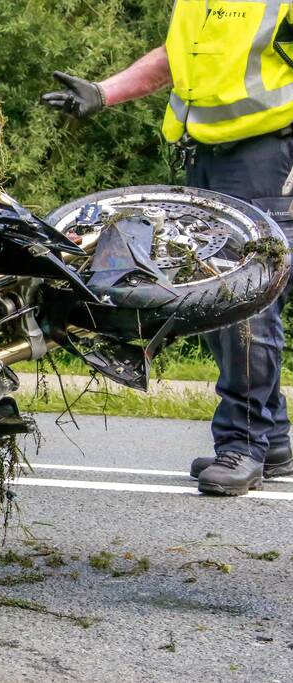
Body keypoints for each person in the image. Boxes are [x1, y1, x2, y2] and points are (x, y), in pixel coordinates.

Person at [41, 1, 293, 496]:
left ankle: (243, 443)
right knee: (215, 298)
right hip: (206, 159)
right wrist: (103, 92)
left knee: (247, 304)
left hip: (267, 157)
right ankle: (274, 437)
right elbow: (176, 59)